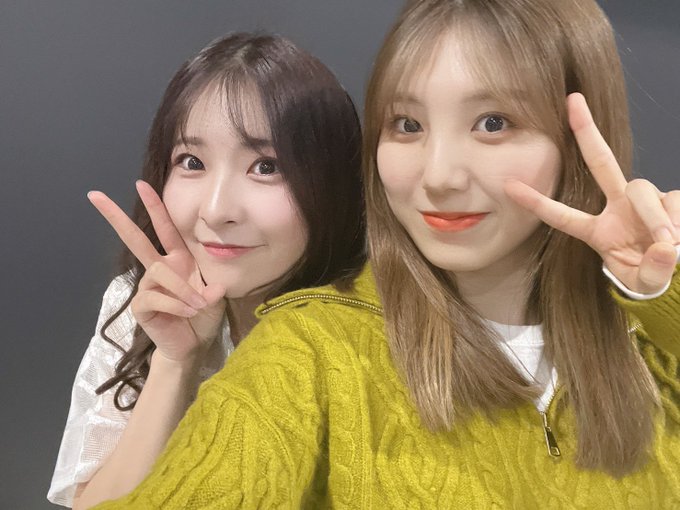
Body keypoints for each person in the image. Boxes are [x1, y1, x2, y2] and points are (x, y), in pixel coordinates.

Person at [93, 1, 680, 508]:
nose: (439, 176)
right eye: (407, 124)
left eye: (492, 123)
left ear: (579, 140)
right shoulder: (309, 351)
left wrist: (661, 294)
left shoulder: (650, 341)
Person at [47, 32, 365, 509]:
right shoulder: (142, 302)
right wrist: (175, 362)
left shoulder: (371, 330)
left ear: (332, 185)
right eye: (192, 162)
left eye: (266, 167)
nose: (216, 211)